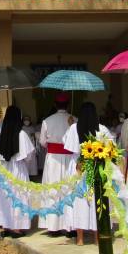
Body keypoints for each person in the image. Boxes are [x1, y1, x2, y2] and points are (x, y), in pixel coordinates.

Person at [63, 102, 112, 246]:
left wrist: (70, 125)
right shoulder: (102, 128)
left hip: (78, 167)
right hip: (96, 166)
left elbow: (67, 144)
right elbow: (110, 146)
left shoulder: (73, 128)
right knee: (97, 198)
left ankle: (80, 238)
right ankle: (97, 237)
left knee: (79, 200)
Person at [0, 106, 36, 237]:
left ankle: (6, 225)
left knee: (5, 196)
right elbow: (29, 156)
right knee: (18, 195)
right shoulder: (22, 134)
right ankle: (16, 227)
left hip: (4, 169)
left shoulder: (0, 134)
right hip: (18, 168)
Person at [38, 92, 75, 234]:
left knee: (53, 189)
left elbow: (42, 142)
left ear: (55, 104)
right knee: (69, 189)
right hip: (69, 159)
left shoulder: (47, 121)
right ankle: (70, 226)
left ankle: (53, 226)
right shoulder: (74, 119)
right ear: (67, 105)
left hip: (53, 159)